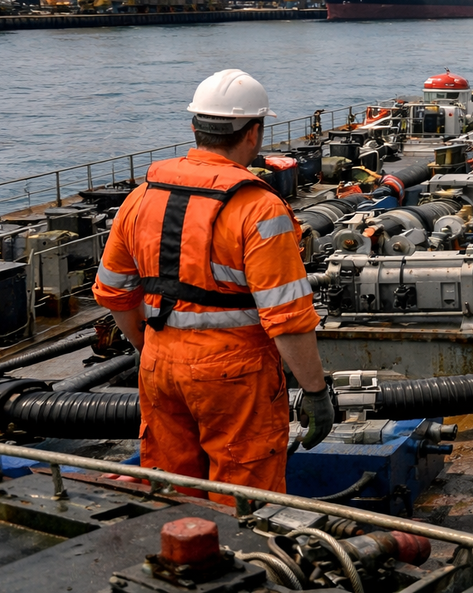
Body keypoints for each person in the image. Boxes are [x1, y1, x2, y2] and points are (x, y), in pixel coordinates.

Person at [92, 69, 334, 503]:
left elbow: (113, 291)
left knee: (171, 489)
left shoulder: (140, 195)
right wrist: (315, 392)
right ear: (254, 133)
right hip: (235, 375)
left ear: (195, 128)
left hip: (158, 365)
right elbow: (288, 319)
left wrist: (149, 349)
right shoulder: (259, 208)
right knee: (244, 497)